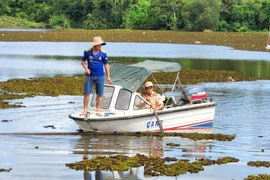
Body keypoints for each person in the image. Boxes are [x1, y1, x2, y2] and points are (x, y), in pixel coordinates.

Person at [81, 36, 112, 116]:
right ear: (94, 45)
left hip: (100, 76)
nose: (100, 46)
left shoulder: (103, 53)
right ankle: (85, 109)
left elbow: (106, 65)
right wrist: (86, 69)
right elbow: (83, 62)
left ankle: (98, 110)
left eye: (101, 44)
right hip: (89, 76)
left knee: (100, 94)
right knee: (87, 93)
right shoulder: (87, 52)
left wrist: (108, 76)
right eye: (99, 44)